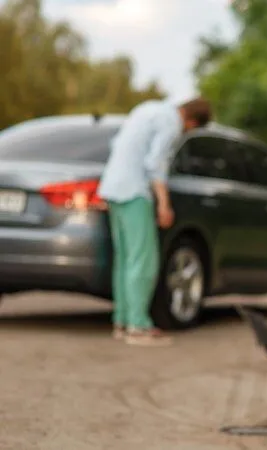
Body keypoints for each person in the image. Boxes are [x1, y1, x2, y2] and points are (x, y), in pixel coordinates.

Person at [98, 98, 212, 346]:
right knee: (144, 260)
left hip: (112, 188)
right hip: (135, 191)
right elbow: (155, 164)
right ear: (192, 121)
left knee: (125, 260)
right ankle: (138, 326)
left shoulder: (147, 109)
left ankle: (122, 321)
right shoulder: (170, 123)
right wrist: (163, 203)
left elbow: (117, 143)